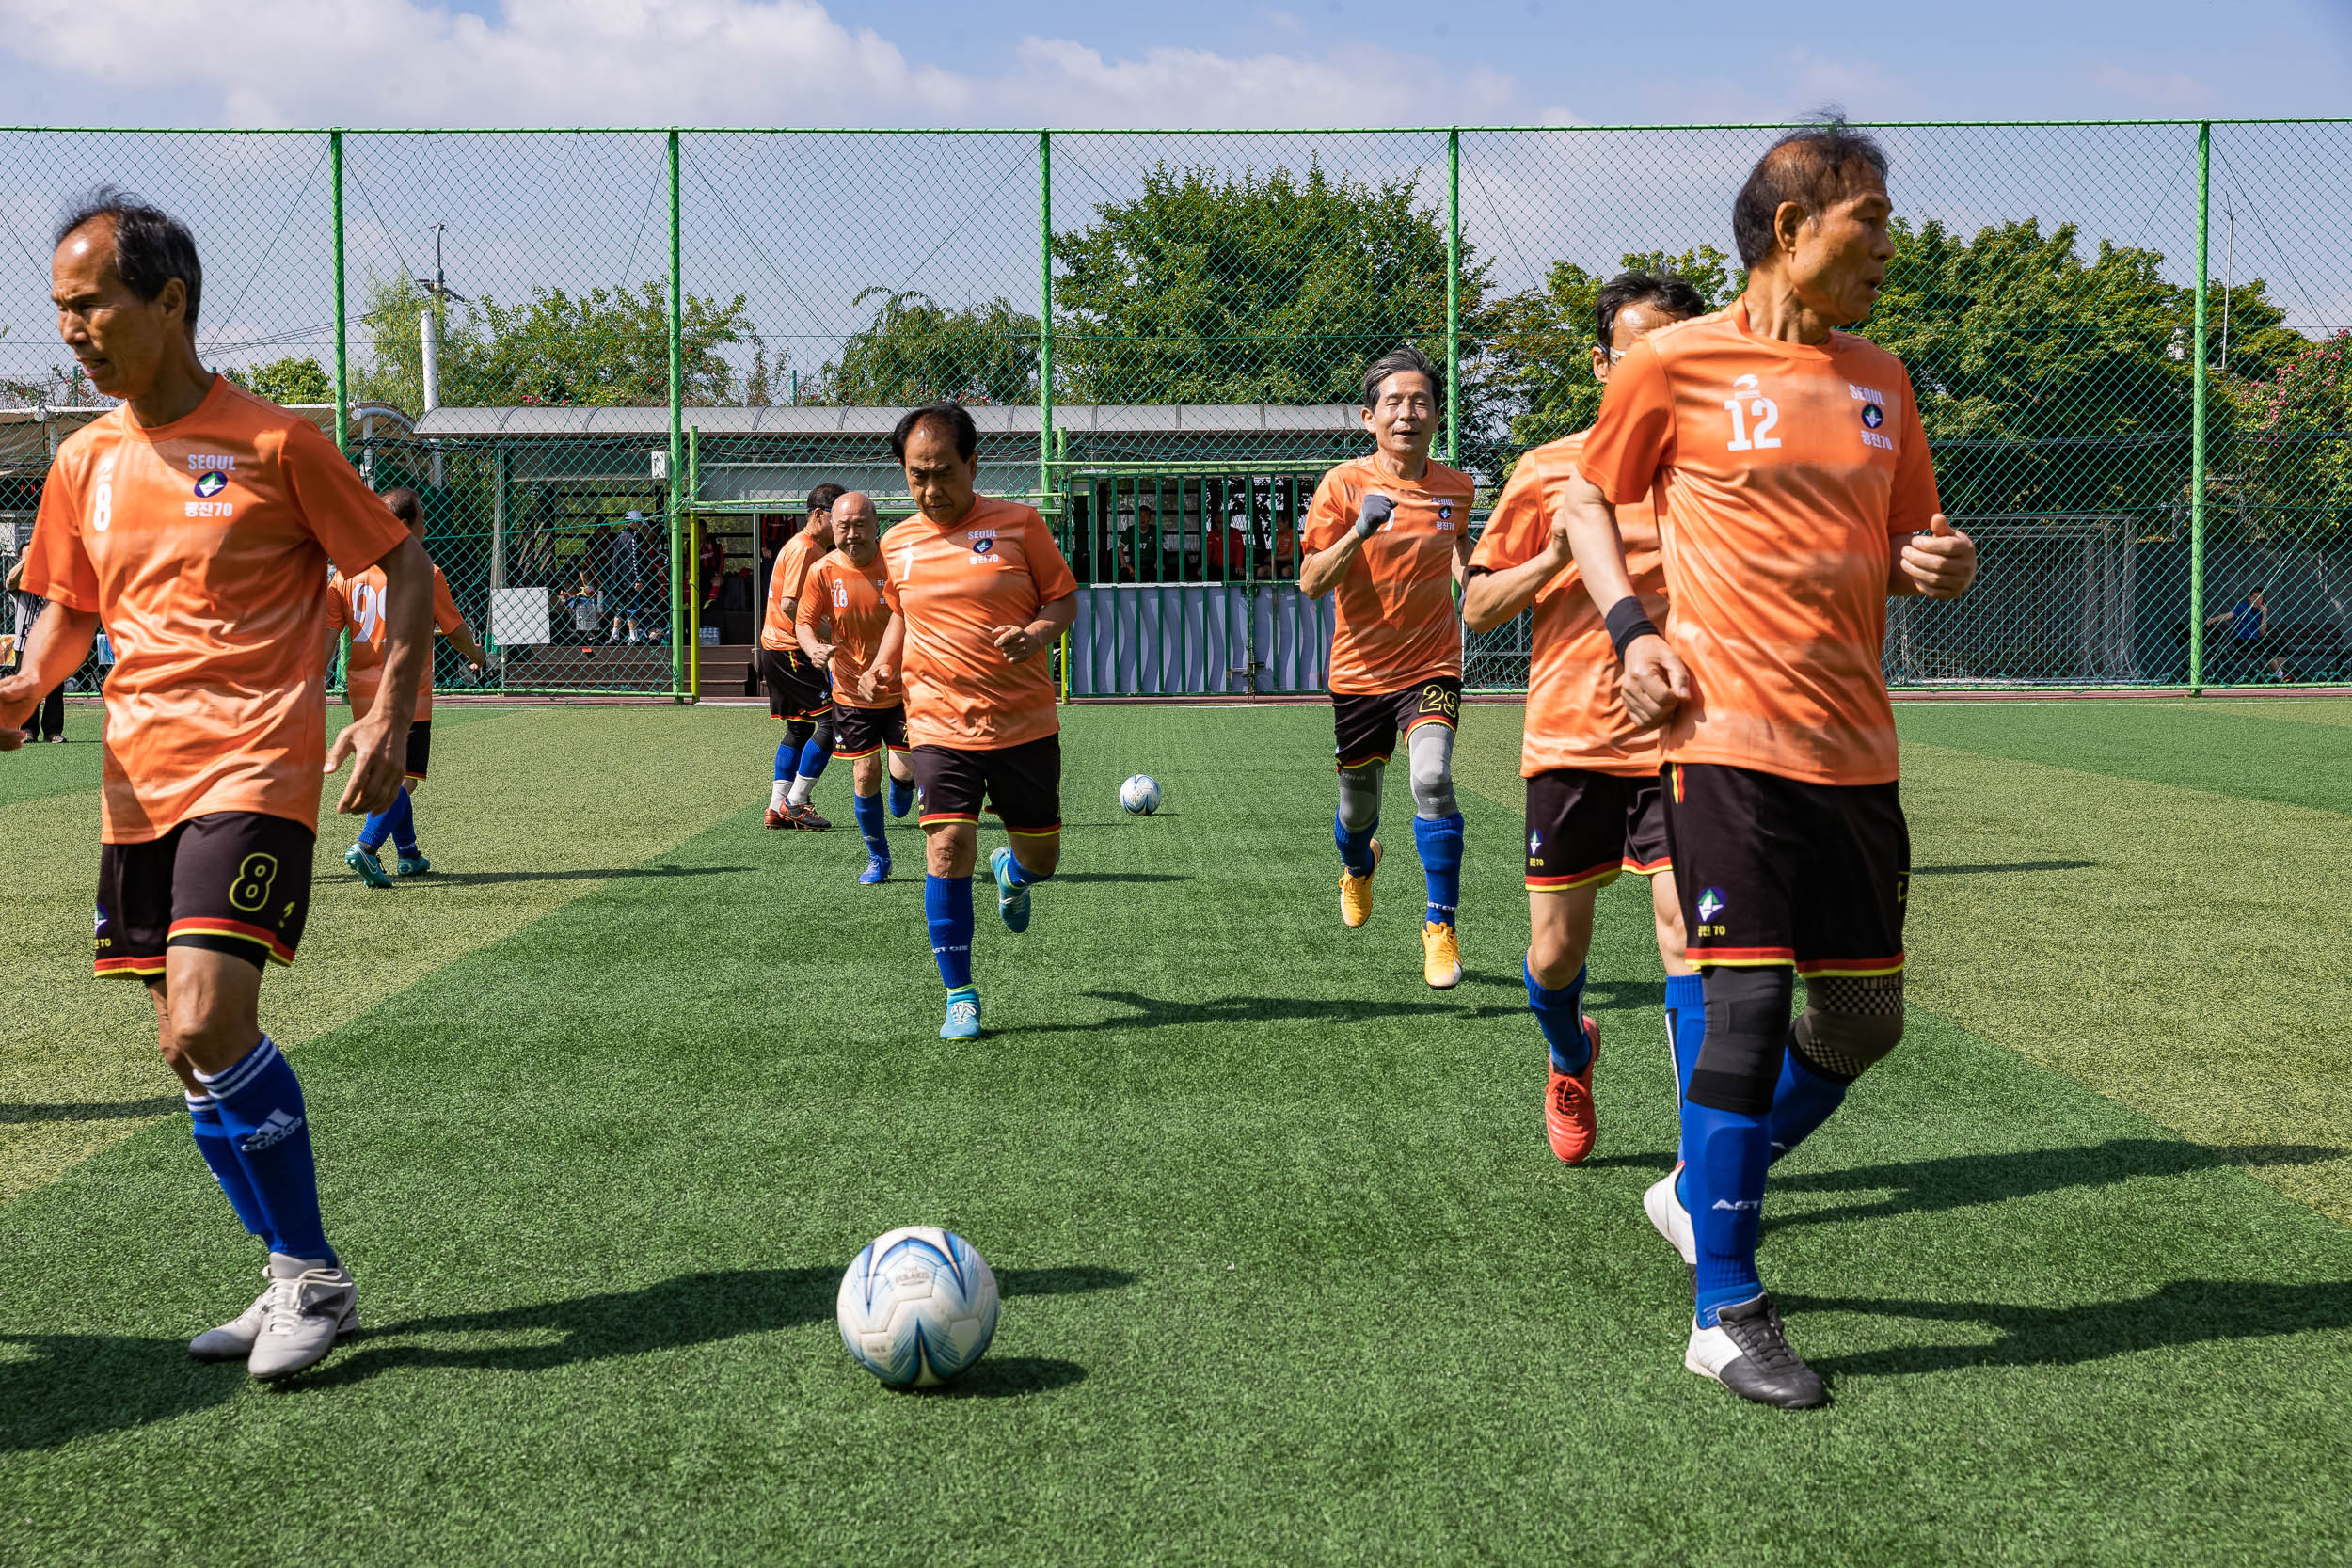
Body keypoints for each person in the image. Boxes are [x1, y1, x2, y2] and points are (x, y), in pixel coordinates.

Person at [1560, 122, 1979, 1409]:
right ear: (1792, 226)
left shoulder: (1884, 379)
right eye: (1872, 219)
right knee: (1740, 1009)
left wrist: (1937, 561)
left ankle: (1697, 1187)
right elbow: (1587, 499)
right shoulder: (1676, 365)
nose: (1892, 247)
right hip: (1725, 742)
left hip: (1857, 747)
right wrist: (1633, 629)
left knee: (1865, 1023)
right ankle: (1725, 1305)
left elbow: (1917, 532)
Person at [0, 190, 432, 1380]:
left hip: (253, 763)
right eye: (61, 310)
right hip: (133, 782)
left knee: (206, 1016)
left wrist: (387, 703)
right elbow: (68, 613)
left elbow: (397, 562)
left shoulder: (278, 444)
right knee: (180, 1050)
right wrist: (23, 686)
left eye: (90, 305)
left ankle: (313, 1270)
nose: (71, 330)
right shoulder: (82, 460)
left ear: (170, 302)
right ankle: (291, 1272)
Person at [1462, 272, 1708, 1165]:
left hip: (1686, 738)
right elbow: (1481, 606)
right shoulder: (1548, 469)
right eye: (1639, 353)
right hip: (1571, 740)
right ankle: (1572, 1052)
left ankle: (1701, 1159)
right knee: (1556, 952)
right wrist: (1559, 556)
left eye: (1675, 352)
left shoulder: (1717, 467)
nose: (1659, 370)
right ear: (1604, 365)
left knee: (1687, 936)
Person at [869, 402, 1078, 1041]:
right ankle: (960, 992)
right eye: (916, 476)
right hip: (936, 722)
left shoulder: (1019, 525)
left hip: (1023, 725)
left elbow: (1063, 598)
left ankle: (1014, 874)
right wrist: (883, 662)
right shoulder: (896, 542)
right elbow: (901, 613)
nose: (930, 489)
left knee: (1042, 858)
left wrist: (1036, 634)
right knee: (946, 846)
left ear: (972, 463)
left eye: (941, 473)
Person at [1296, 344, 1477, 990]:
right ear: (1369, 417)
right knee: (1355, 813)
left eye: (1420, 401)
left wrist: (1476, 583)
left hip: (1432, 662)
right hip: (1360, 674)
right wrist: (1359, 531)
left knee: (1432, 778)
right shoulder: (1343, 486)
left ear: (1436, 416)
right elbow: (1312, 581)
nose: (1408, 412)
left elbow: (1462, 554)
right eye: (1393, 403)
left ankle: (1440, 926)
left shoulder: (1458, 487)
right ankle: (1359, 862)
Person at [326, 486, 488, 885]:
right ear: (405, 525)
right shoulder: (424, 571)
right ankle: (365, 847)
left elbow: (326, 636)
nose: (426, 525)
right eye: (422, 517)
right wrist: (480, 656)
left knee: (392, 773)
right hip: (406, 691)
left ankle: (409, 854)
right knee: (405, 778)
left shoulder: (345, 574)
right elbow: (454, 630)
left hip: (362, 690)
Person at [797, 492, 918, 884]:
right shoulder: (823, 570)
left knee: (904, 770)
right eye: (843, 526)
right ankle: (878, 858)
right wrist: (813, 647)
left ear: (876, 525)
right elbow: (803, 622)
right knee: (865, 775)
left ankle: (904, 785)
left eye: (859, 525)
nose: (851, 534)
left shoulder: (897, 565)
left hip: (902, 689)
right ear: (832, 526)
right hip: (850, 693)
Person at [759, 484, 843, 830]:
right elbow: (791, 604)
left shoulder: (807, 546)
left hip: (776, 648)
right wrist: (828, 633)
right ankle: (796, 802)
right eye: (837, 518)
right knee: (832, 722)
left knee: (799, 726)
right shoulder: (806, 548)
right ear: (819, 515)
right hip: (790, 650)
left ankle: (777, 805)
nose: (842, 527)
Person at [5, 554, 66, 741]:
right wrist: (27, 560)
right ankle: (28, 730)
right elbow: (9, 582)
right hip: (26, 643)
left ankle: (52, 731)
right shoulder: (21, 584)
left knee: (55, 687)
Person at [2204, 587, 2287, 682]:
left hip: (2254, 641)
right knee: (2270, 647)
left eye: (2259, 598)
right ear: (2249, 598)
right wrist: (2214, 619)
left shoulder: (2260, 612)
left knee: (2281, 644)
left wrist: (2264, 615)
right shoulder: (2243, 607)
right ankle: (2281, 676)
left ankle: (2279, 674)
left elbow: (2262, 633)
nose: (2256, 600)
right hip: (2242, 641)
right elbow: (2229, 615)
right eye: (2254, 597)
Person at [605, 510, 645, 643]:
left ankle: (614, 636)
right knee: (631, 609)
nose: (639, 526)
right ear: (634, 522)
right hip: (629, 581)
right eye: (638, 523)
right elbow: (633, 560)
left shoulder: (619, 536)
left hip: (617, 580)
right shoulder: (632, 538)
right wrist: (638, 579)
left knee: (621, 608)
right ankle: (633, 637)